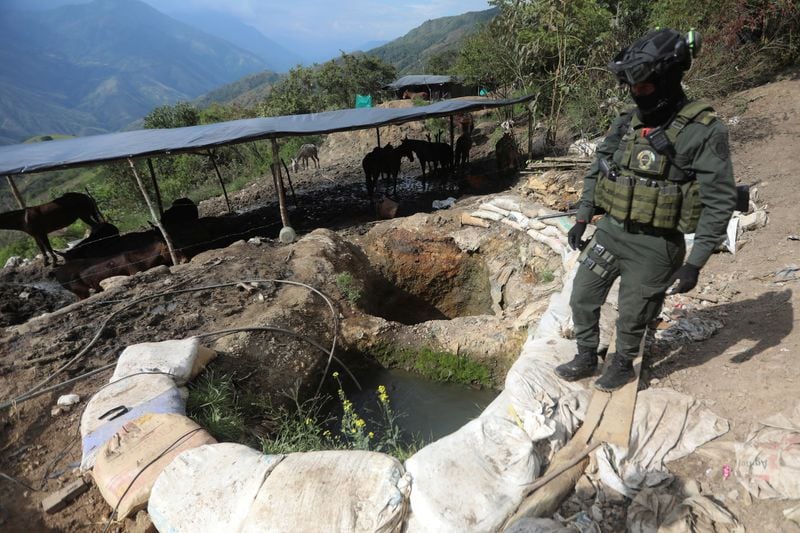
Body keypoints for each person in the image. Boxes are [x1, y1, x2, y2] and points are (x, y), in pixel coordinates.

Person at [555, 28, 738, 391]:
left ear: (668, 79)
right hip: (611, 231)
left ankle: (622, 363)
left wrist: (695, 263)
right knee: (582, 296)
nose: (636, 94)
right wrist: (581, 216)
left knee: (633, 314)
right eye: (632, 88)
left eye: (644, 86)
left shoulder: (703, 130)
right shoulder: (626, 121)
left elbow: (720, 201)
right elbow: (599, 168)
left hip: (656, 244)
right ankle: (586, 355)